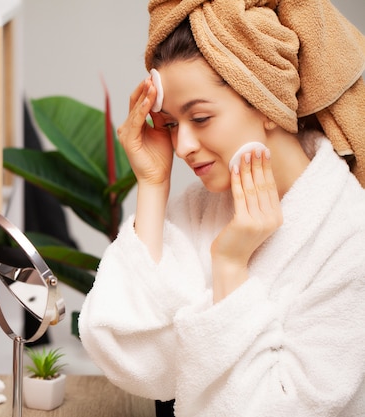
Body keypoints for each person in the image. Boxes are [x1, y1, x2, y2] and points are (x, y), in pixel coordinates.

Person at [78, 1, 365, 416]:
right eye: (172, 123)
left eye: (200, 117)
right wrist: (153, 187)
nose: (182, 147)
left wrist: (230, 266)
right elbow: (127, 352)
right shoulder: (203, 206)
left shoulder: (348, 232)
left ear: (264, 100)